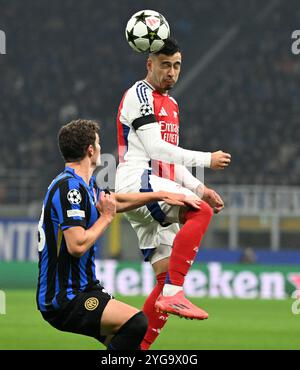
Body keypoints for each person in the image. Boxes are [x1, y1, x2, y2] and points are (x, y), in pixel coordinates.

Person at [36, 119, 198, 350]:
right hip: (64, 297)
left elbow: (115, 201)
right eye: (98, 143)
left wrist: (159, 194)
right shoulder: (70, 189)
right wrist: (106, 218)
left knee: (130, 343)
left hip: (84, 288)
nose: (101, 148)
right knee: (136, 324)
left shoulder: (85, 185)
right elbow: (77, 245)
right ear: (90, 150)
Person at [115, 38, 231, 349]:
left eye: (177, 65)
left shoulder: (173, 105)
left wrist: (199, 187)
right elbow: (154, 149)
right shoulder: (139, 95)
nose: (171, 71)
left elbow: (168, 157)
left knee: (164, 278)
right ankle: (175, 293)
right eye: (165, 64)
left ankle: (130, 350)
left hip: (158, 185)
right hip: (139, 181)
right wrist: (207, 160)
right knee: (199, 212)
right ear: (149, 64)